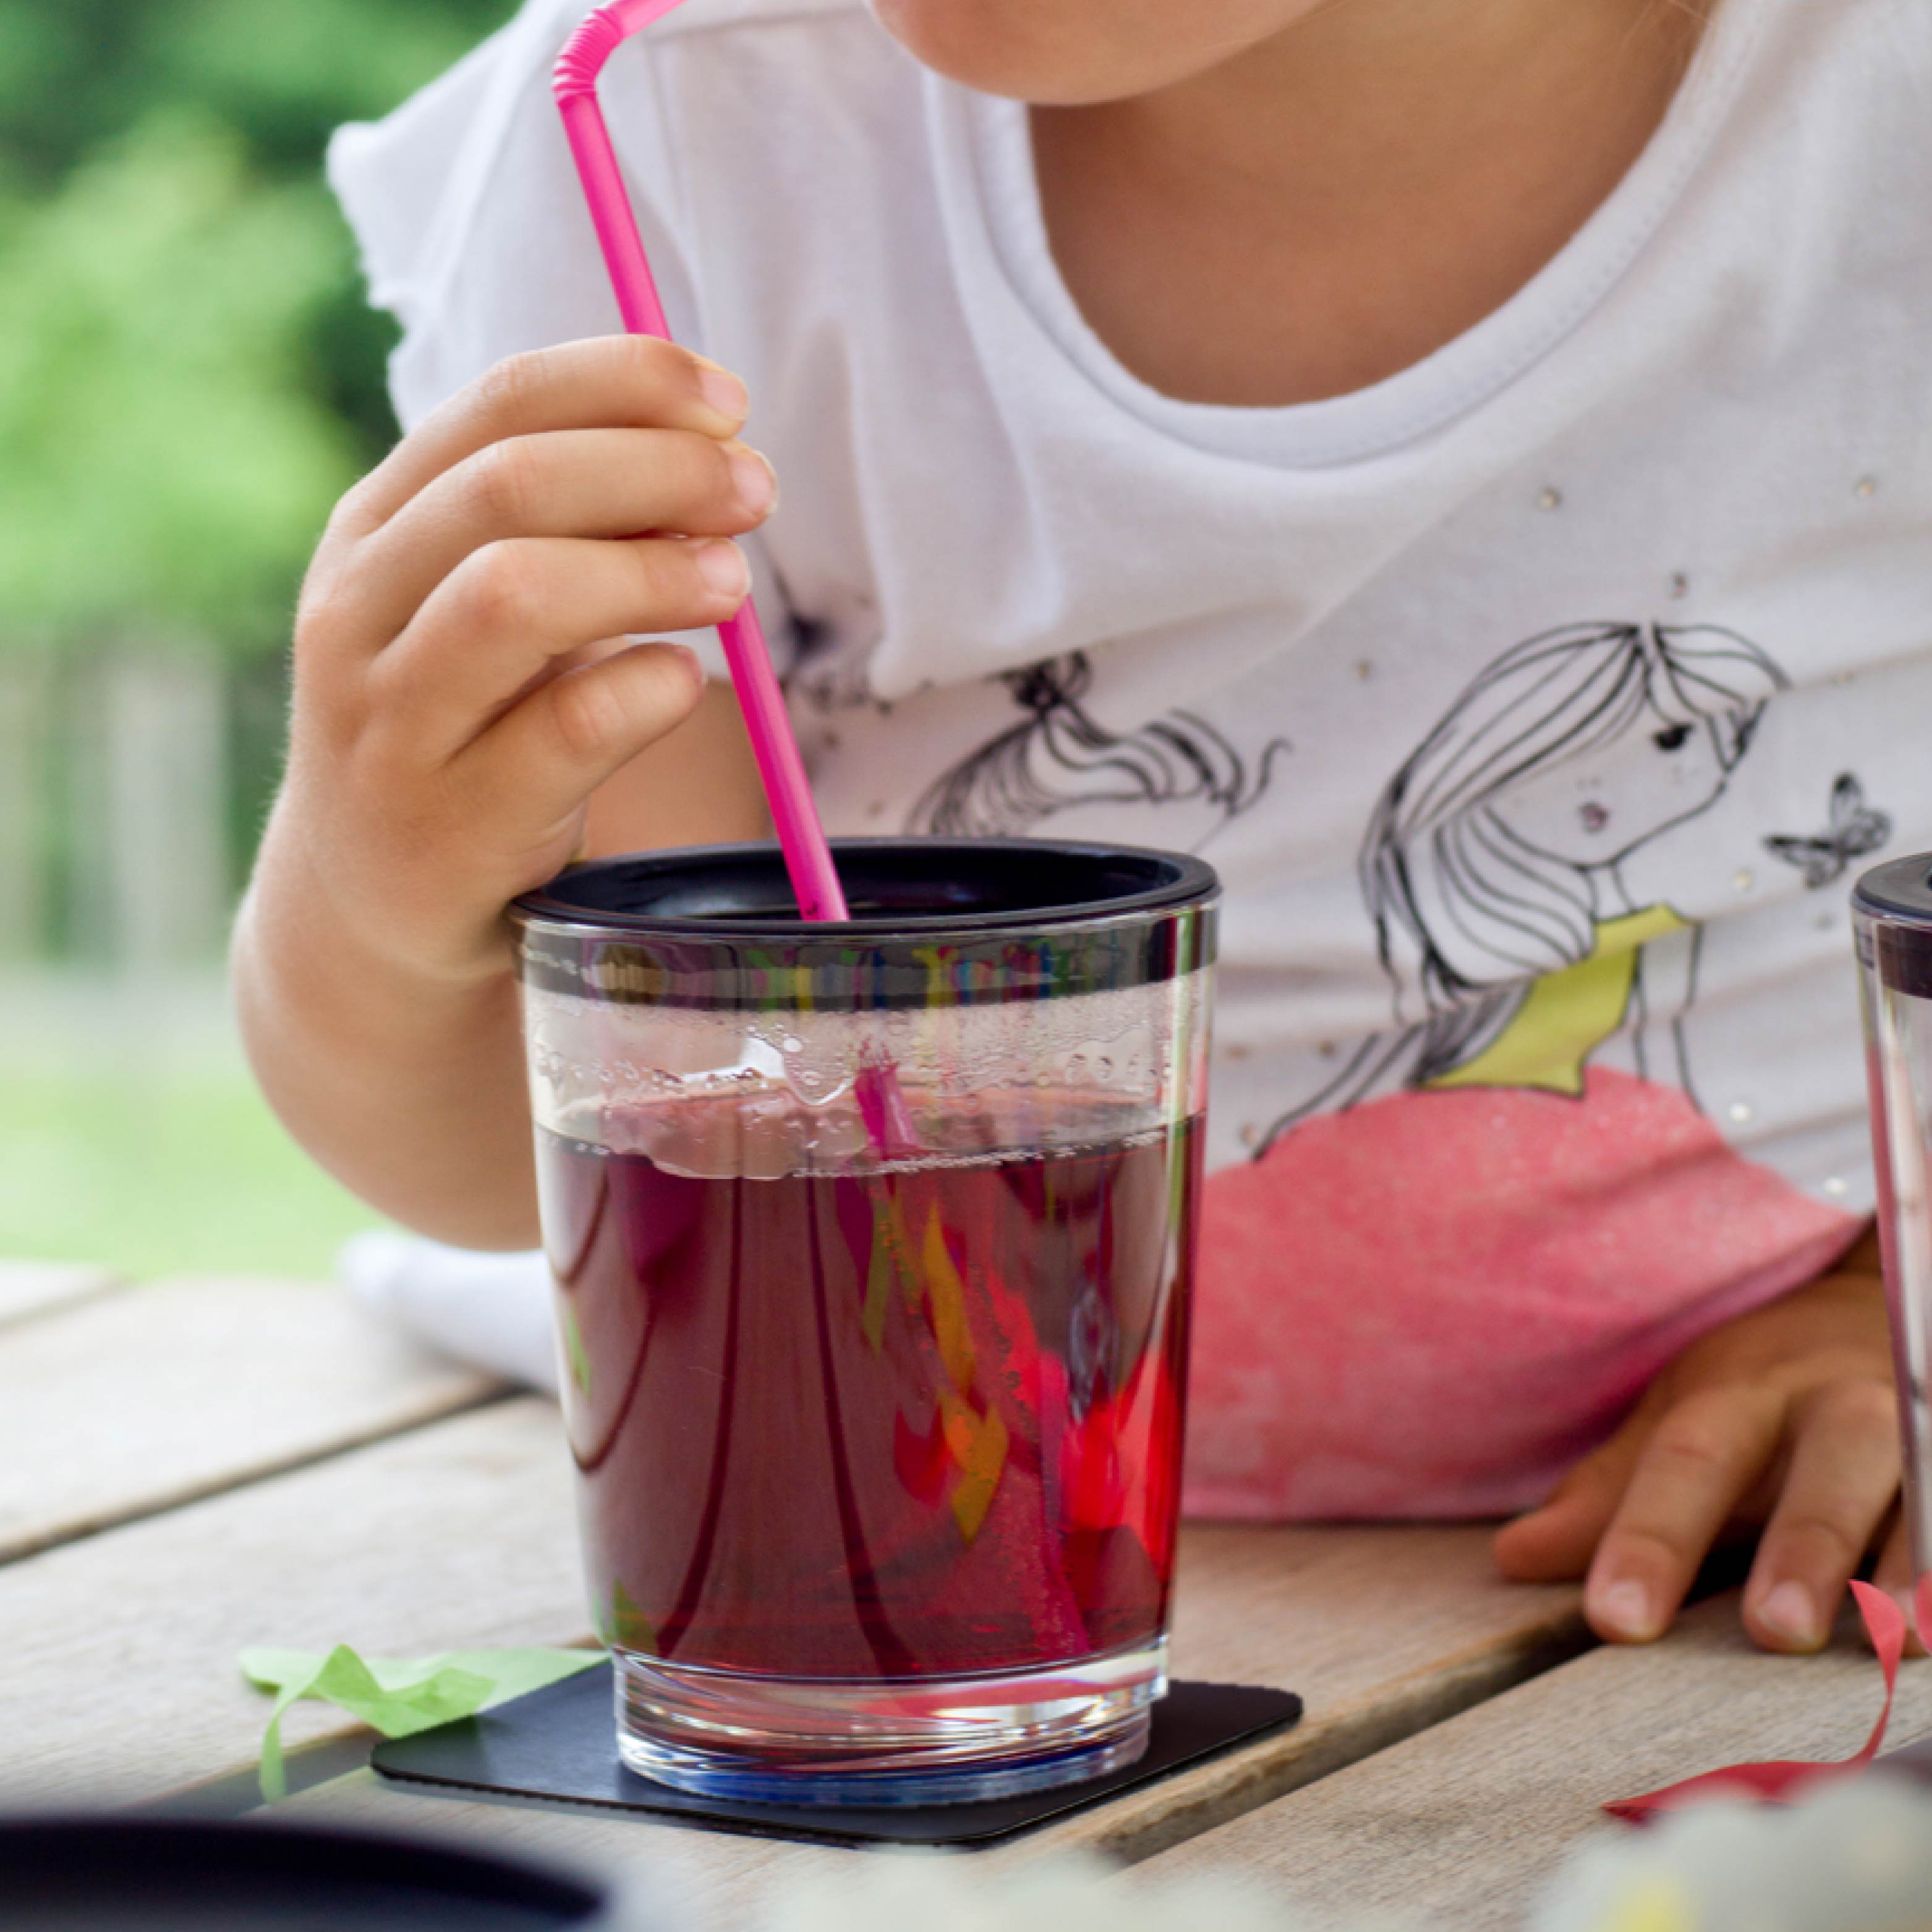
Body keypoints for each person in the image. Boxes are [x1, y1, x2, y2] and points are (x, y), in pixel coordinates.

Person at [234, 0, 1932, 1657]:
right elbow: (524, 1147)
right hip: (870, 1548)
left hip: (1685, 1619)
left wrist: (1901, 1309)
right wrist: (372, 888)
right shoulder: (674, 134)